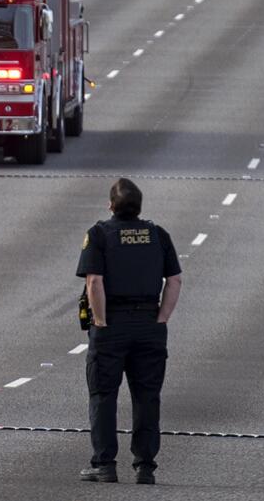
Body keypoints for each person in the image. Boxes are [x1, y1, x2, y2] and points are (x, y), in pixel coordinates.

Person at [76, 178, 182, 485]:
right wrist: (161, 318)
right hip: (149, 324)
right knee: (147, 396)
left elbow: (94, 282)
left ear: (111, 206)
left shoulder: (99, 235)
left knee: (103, 394)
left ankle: (104, 464)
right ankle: (145, 466)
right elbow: (174, 281)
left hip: (112, 324)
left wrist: (100, 321)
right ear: (139, 207)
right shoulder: (157, 234)